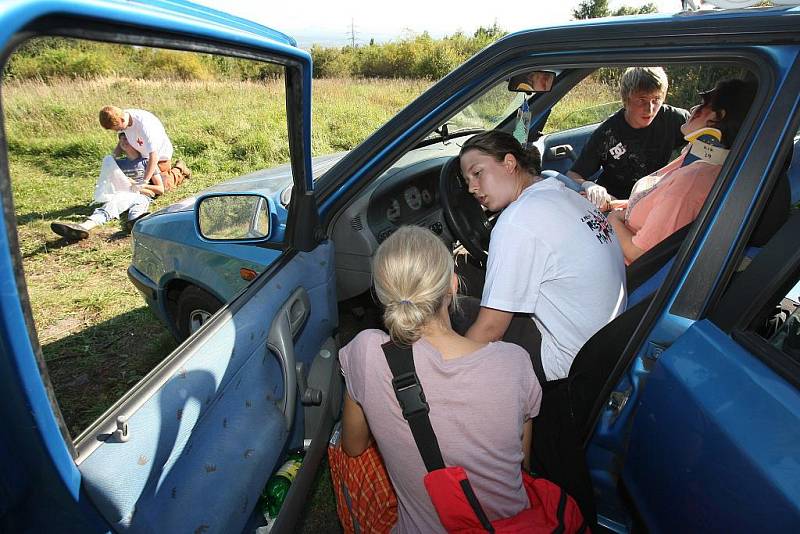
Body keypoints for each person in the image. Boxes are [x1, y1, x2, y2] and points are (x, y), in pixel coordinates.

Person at [340, 225, 541, 533]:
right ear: (452, 284)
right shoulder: (513, 363)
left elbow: (353, 447)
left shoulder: (365, 352)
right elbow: (522, 464)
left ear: (382, 295)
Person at [460, 130, 627, 382]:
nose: (472, 188)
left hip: (565, 362)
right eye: (467, 181)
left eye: (477, 173)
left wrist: (450, 370)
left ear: (509, 163)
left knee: (445, 305)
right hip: (602, 344)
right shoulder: (564, 192)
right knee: (464, 268)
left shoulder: (517, 221)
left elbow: (491, 330)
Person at [607, 78, 757, 264]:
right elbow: (660, 203)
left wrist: (613, 218)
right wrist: (622, 206)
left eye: (704, 104)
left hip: (619, 267)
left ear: (717, 117)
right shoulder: (699, 160)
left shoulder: (692, 181)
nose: (694, 109)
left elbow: (640, 254)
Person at [567, 67, 689, 207]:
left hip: (654, 200)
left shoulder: (673, 119)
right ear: (626, 99)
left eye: (656, 99)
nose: (649, 109)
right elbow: (573, 175)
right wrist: (589, 186)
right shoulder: (608, 133)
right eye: (641, 100)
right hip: (613, 203)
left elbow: (705, 131)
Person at [51, 133, 163, 240]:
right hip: (121, 195)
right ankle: (84, 227)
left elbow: (160, 189)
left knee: (140, 203)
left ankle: (134, 222)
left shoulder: (146, 162)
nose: (124, 141)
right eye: (121, 139)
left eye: (127, 138)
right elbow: (108, 174)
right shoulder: (117, 164)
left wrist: (138, 186)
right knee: (110, 206)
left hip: (141, 195)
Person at [98, 105, 191, 191]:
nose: (117, 131)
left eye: (117, 128)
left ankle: (179, 169)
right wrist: (111, 159)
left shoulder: (144, 125)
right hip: (141, 158)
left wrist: (144, 182)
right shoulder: (121, 119)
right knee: (132, 184)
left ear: (122, 119)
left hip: (159, 158)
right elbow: (121, 143)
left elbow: (154, 156)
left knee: (162, 185)